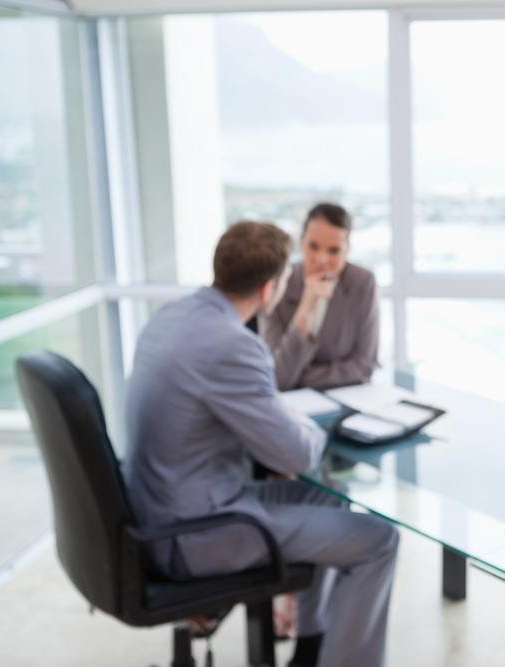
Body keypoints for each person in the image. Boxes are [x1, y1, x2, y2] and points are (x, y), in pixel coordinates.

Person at [124, 220, 398, 667]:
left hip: (156, 509)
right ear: (268, 290)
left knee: (330, 497)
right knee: (379, 540)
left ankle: (310, 645)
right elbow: (296, 453)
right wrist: (297, 418)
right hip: (195, 532)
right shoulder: (233, 344)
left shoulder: (169, 316)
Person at [260, 203, 379, 391]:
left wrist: (300, 377)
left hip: (347, 397)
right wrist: (306, 308)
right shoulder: (279, 283)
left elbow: (364, 366)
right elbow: (276, 376)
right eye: (313, 247)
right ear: (301, 243)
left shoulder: (362, 282)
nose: (322, 259)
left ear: (347, 250)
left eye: (334, 250)